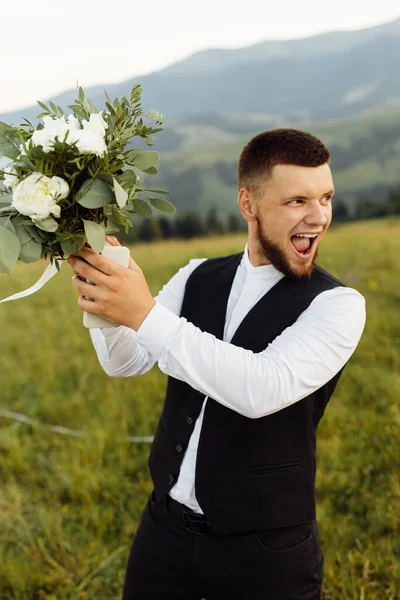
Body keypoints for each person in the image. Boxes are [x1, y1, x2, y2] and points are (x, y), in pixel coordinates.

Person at [68, 129, 366, 600]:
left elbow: (259, 390)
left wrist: (143, 314)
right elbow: (125, 361)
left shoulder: (338, 305)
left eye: (325, 197)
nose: (319, 216)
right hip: (163, 532)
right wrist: (102, 297)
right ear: (248, 204)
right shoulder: (196, 275)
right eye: (297, 201)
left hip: (266, 553)